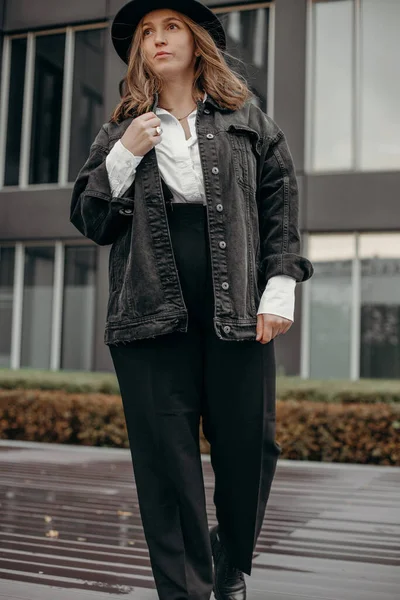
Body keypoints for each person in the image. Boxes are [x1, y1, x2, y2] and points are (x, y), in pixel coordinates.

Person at [70, 1, 314, 598]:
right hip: (150, 319)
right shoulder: (117, 131)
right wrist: (125, 152)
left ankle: (230, 559)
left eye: (170, 26)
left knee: (249, 449)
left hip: (238, 309)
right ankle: (185, 591)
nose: (157, 39)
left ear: (196, 38)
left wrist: (279, 286)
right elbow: (90, 219)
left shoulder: (247, 120)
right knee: (165, 467)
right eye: (147, 32)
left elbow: (280, 201)